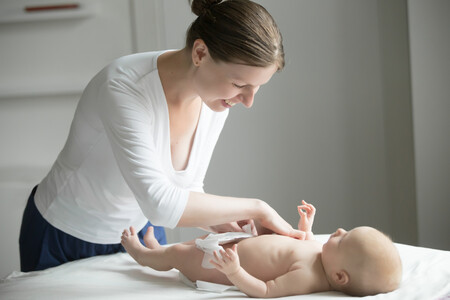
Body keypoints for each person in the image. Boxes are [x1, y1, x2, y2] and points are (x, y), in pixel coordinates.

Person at [19, 0, 304, 272]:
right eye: (240, 84)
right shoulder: (122, 86)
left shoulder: (215, 100)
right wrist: (258, 208)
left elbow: (185, 188)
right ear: (200, 53)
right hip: (65, 236)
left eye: (256, 88)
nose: (248, 100)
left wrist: (227, 225)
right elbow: (160, 204)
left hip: (139, 234)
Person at [121, 200, 403, 298]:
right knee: (187, 246)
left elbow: (266, 291)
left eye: (344, 239)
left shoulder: (308, 276)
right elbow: (301, 241)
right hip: (237, 243)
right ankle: (158, 249)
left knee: (179, 256)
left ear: (340, 277)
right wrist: (306, 225)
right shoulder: (322, 254)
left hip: (221, 265)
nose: (339, 231)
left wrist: (235, 272)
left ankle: (144, 256)